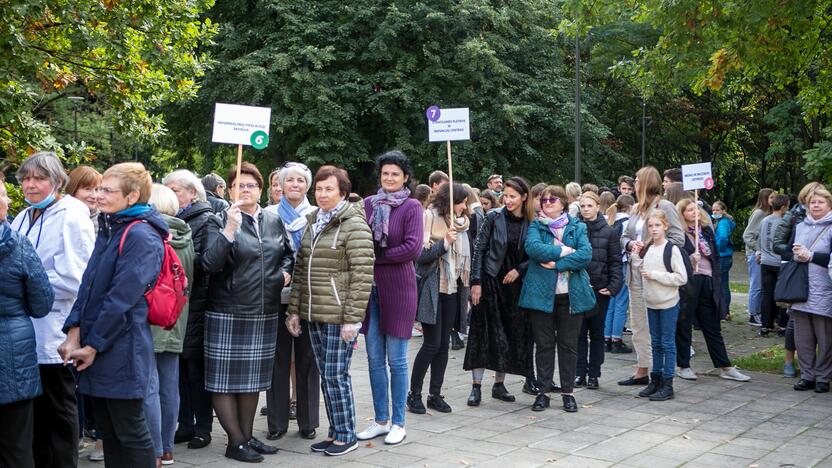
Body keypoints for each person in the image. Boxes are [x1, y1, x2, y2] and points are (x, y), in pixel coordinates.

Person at [59, 162, 165, 467]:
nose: (98, 195)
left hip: (122, 346)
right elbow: (88, 286)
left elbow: (121, 300)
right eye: (97, 188)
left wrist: (93, 345)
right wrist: (74, 331)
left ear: (131, 197)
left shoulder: (141, 235)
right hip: (102, 344)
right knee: (110, 430)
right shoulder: (111, 226)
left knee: (130, 431)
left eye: (107, 189)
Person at [201, 161, 294, 463]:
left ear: (260, 189)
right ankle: (235, 441)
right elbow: (209, 264)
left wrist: (284, 274)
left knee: (253, 380)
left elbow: (289, 255)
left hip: (264, 310)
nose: (245, 189)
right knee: (224, 381)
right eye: (238, 185)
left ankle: (248, 436)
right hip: (228, 309)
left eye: (251, 185)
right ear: (229, 190)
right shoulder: (217, 220)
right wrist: (229, 229)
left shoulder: (273, 220)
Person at [12, 152, 95, 468]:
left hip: (55, 331)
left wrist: (23, 281)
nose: (31, 185)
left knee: (58, 411)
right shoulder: (24, 215)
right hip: (26, 332)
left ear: (58, 182)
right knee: (36, 415)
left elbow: (77, 278)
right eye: (27, 179)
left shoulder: (71, 214)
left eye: (39, 178)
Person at [287, 166, 373, 456]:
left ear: (343, 193)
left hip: (339, 316)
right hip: (314, 313)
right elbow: (300, 270)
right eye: (319, 189)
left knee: (337, 375)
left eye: (328, 189)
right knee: (327, 375)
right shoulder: (313, 222)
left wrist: (353, 319)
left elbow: (362, 276)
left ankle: (347, 435)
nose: (322, 194)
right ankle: (336, 431)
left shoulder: (354, 224)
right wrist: (295, 311)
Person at [355, 151, 422, 445]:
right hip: (369, 292)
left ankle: (399, 421)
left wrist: (375, 257)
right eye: (385, 174)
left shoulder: (412, 206)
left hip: (399, 290)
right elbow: (358, 241)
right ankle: (380, 420)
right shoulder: (367, 204)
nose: (390, 178)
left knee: (397, 360)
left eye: (395, 173)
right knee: (373, 360)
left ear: (405, 176)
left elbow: (412, 248)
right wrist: (372, 257)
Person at [519, 185, 593, 412]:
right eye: (544, 200)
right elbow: (533, 248)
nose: (547, 203)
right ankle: (543, 392)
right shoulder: (535, 226)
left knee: (569, 346)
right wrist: (565, 251)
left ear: (562, 202)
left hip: (570, 296)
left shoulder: (577, 227)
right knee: (544, 346)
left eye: (552, 200)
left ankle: (568, 393)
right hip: (541, 296)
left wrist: (558, 264)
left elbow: (586, 254)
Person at [464, 177, 535, 406]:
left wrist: (519, 270)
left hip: (514, 287)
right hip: (490, 281)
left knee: (507, 335)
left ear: (524, 197)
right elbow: (480, 249)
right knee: (482, 334)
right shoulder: (494, 217)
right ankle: (476, 387)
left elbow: (534, 255)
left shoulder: (531, 223)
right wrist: (476, 282)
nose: (508, 200)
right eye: (505, 195)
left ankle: (499, 384)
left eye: (513, 196)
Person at [0, 182, 55, 468]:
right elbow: (42, 303)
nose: (10, 199)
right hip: (13, 360)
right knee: (17, 448)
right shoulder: (19, 245)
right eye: (5, 195)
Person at [265, 161, 320, 442]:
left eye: (300, 180)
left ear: (307, 185)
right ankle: (276, 422)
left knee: (308, 359)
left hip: (309, 296)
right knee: (278, 359)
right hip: (278, 295)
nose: (295, 185)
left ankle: (308, 421)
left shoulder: (318, 214)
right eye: (290, 180)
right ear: (281, 185)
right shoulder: (269, 215)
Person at [619, 166, 685, 387]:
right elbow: (624, 235)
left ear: (646, 182)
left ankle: (660, 374)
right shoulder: (636, 208)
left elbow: (678, 237)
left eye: (637, 180)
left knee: (655, 328)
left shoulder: (664, 206)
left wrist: (651, 246)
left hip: (655, 275)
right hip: (634, 272)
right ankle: (642, 369)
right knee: (638, 324)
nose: (634, 183)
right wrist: (630, 244)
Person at [143, 184, 195, 466]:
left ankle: (153, 450)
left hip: (151, 320)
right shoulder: (186, 236)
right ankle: (167, 447)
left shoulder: (151, 235)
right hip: (175, 320)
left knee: (150, 387)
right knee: (168, 387)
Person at [409, 182, 470, 415]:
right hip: (433, 288)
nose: (464, 206)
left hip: (453, 289)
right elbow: (420, 256)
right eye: (460, 201)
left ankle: (435, 394)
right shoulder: (428, 218)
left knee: (444, 345)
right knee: (432, 344)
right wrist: (445, 243)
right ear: (449, 201)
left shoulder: (461, 225)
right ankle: (414, 393)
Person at [165, 170, 216, 450]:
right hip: (175, 304)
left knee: (196, 369)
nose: (171, 195)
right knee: (179, 371)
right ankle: (184, 424)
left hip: (196, 303)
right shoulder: (170, 221)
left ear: (192, 193)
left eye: (175, 190)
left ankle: (202, 427)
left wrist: (176, 256)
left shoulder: (204, 220)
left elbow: (205, 263)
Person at [674, 199, 749, 383]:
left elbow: (714, 255)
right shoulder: (679, 234)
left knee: (712, 325)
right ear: (682, 214)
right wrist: (691, 258)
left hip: (708, 281)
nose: (695, 212)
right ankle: (683, 365)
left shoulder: (706, 230)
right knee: (684, 324)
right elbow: (676, 258)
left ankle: (725, 366)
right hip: (689, 282)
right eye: (690, 210)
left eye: (696, 209)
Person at [65, 164, 104, 459]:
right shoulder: (66, 219)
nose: (92, 195)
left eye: (97, 189)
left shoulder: (105, 221)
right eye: (86, 188)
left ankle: (100, 437)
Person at [634, 210, 688, 401]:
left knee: (667, 343)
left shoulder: (671, 249)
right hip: (651, 301)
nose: (654, 229)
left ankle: (668, 383)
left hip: (667, 302)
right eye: (650, 226)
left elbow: (681, 277)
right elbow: (642, 269)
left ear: (665, 226)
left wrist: (656, 276)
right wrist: (636, 259)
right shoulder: (648, 248)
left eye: (657, 225)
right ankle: (654, 380)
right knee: (655, 342)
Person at [787, 185, 832, 393]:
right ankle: (807, 375)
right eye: (813, 202)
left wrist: (811, 256)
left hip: (824, 289)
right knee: (802, 338)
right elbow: (787, 250)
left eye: (820, 202)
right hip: (800, 289)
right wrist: (794, 254)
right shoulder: (801, 225)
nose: (815, 205)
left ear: (828, 205)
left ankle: (823, 377)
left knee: (825, 338)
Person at [575, 192, 622, 390]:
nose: (586, 209)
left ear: (597, 206)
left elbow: (615, 262)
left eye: (589, 205)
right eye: (583, 206)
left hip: (598, 288)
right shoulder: (575, 228)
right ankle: (579, 372)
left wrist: (613, 287)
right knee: (578, 333)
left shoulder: (609, 232)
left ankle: (594, 373)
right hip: (578, 288)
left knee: (596, 333)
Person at [605, 194, 635, 353]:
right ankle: (616, 338)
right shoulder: (627, 223)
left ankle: (606, 338)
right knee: (621, 302)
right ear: (630, 207)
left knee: (610, 302)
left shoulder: (609, 220)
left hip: (610, 266)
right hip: (622, 264)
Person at [758, 194, 790, 337]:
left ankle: (765, 326)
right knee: (782, 295)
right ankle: (782, 326)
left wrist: (759, 252)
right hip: (779, 262)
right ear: (784, 207)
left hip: (765, 261)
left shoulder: (765, 220)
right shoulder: (785, 222)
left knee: (767, 294)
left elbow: (760, 238)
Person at [742, 188, 774, 327]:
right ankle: (753, 314)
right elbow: (747, 235)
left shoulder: (768, 213)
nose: (774, 200)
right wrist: (759, 250)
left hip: (761, 254)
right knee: (756, 285)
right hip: (755, 255)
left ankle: (758, 311)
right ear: (765, 198)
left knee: (760, 285)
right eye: (771, 197)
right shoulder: (759, 213)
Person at [711, 201, 735, 312]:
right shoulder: (724, 222)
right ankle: (725, 311)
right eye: (713, 210)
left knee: (721, 285)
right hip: (725, 256)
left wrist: (717, 250)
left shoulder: (723, 223)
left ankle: (724, 311)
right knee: (724, 284)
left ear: (723, 211)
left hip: (722, 256)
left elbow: (723, 238)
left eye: (717, 210)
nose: (715, 212)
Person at [66, 165, 102, 232]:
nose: (94, 196)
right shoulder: (60, 215)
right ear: (73, 189)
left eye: (97, 189)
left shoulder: (104, 222)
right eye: (88, 189)